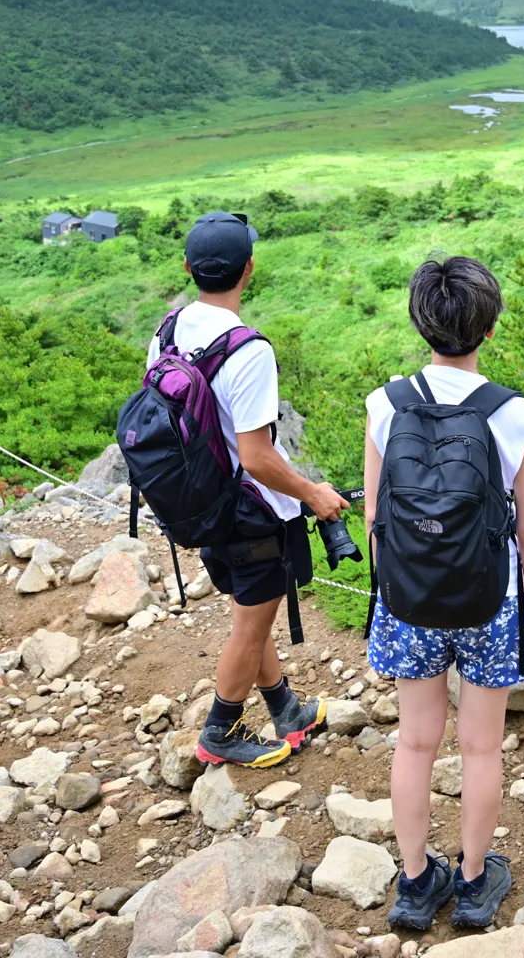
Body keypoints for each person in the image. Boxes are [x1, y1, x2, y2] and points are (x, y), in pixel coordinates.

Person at [364, 257, 524, 930]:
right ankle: (473, 883)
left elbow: (375, 517)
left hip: (408, 593)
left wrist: (396, 590)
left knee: (414, 743)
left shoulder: (385, 404)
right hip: (489, 598)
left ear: (422, 323)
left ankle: (414, 885)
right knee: (481, 747)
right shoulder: (515, 414)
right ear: (488, 328)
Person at [171, 211, 350, 768]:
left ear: (189, 268)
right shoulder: (247, 350)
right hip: (252, 514)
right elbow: (257, 457)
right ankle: (219, 733)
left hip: (199, 502)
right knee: (250, 626)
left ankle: (288, 711)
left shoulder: (168, 330)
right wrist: (313, 495)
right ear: (249, 269)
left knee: (253, 615)